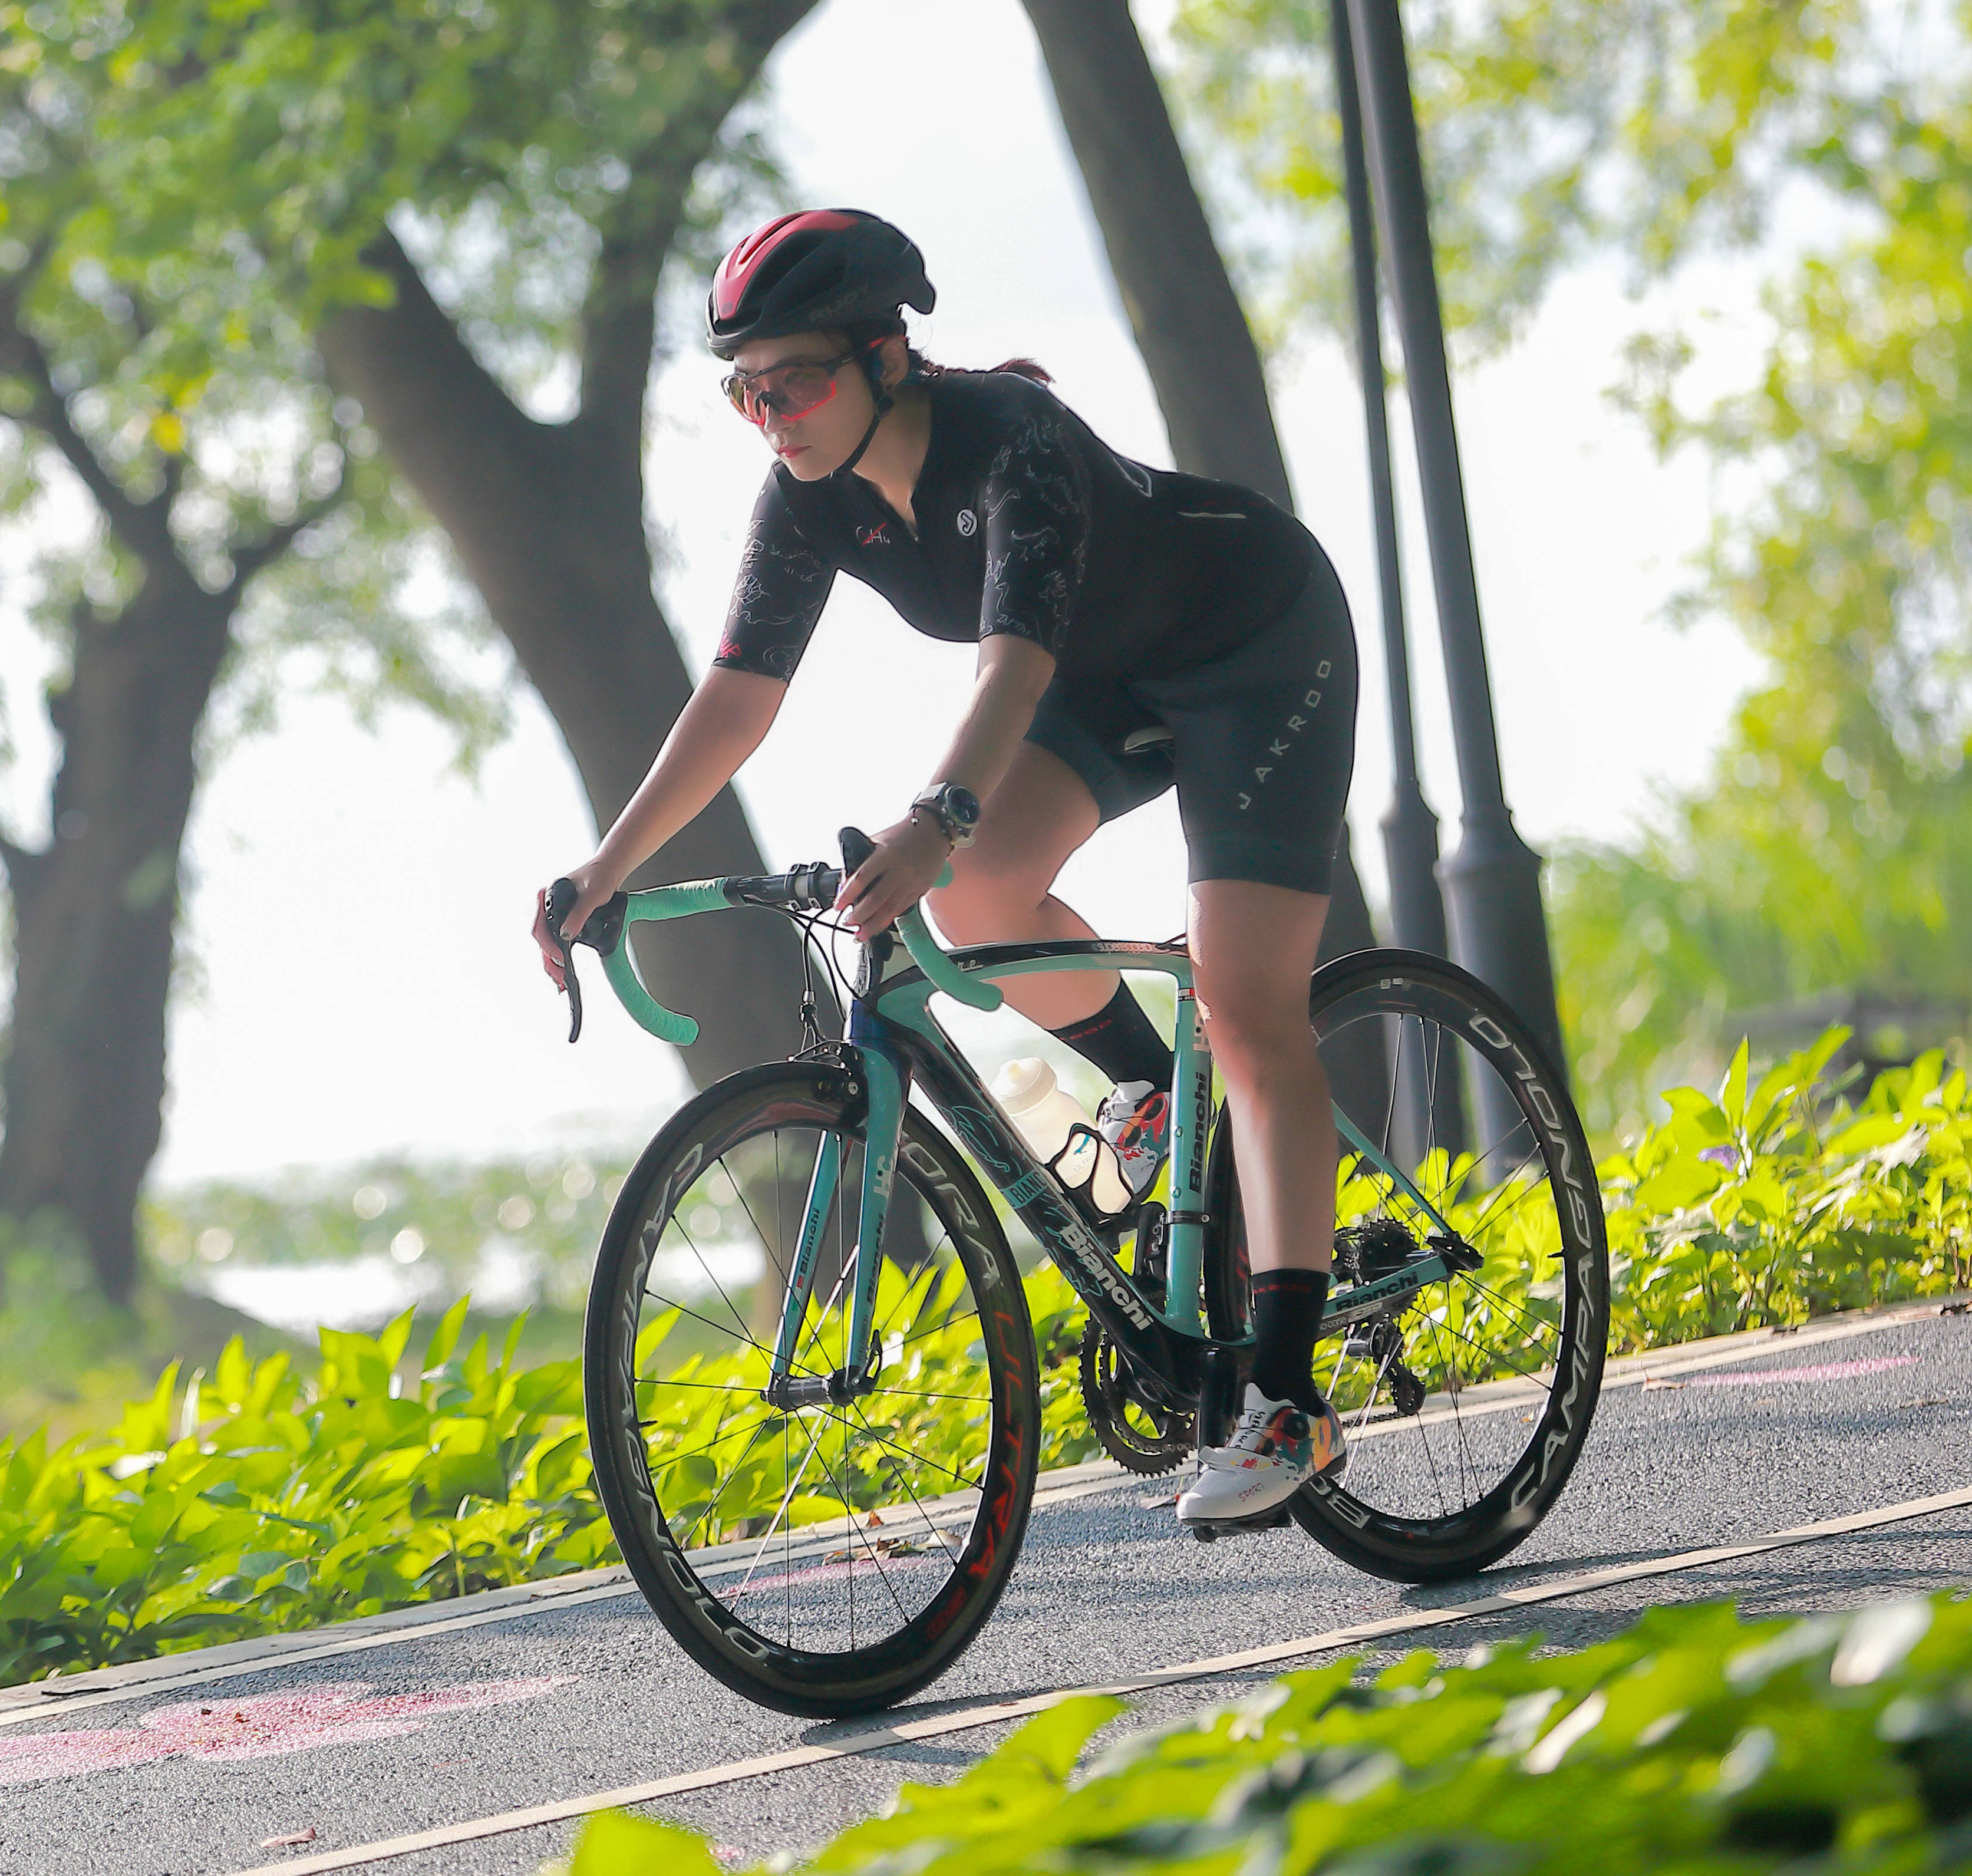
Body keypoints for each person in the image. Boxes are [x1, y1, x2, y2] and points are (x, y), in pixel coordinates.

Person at [528, 207, 1361, 1520]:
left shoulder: (1010, 445)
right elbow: (737, 699)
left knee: (1249, 1008)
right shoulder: (806, 498)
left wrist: (934, 813)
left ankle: (1284, 1399)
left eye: (792, 382)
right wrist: (601, 868)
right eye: (744, 394)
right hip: (1113, 678)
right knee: (973, 902)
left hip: (1257, 650)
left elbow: (1011, 668)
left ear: (885, 357)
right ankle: (1155, 1095)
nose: (770, 417)